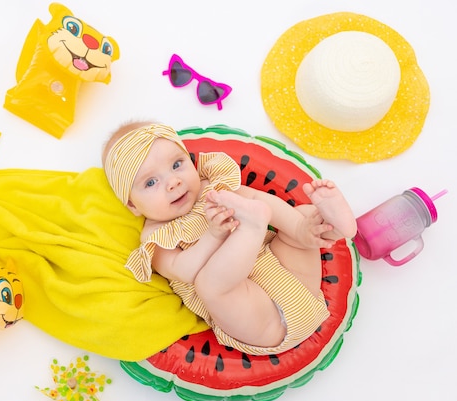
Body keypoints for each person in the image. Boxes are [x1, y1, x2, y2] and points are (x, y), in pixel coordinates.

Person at [102, 122, 357, 355]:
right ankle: (252, 230)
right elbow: (184, 270)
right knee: (209, 285)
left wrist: (299, 227)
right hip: (265, 323)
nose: (173, 182)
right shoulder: (155, 237)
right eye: (151, 182)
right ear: (133, 205)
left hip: (296, 280)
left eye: (177, 165)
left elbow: (261, 200)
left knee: (299, 219)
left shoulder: (215, 187)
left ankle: (329, 227)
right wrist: (213, 235)